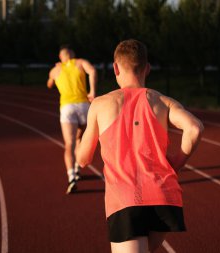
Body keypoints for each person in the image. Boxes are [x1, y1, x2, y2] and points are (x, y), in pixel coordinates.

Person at [76, 39, 204, 253]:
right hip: (164, 198)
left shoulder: (101, 104)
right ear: (147, 68)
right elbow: (195, 128)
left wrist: (77, 140)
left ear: (115, 68)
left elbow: (83, 159)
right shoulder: (163, 101)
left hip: (125, 199)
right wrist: (176, 163)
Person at [47, 45, 97, 194]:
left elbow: (49, 84)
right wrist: (92, 91)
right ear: (72, 55)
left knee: (69, 144)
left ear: (61, 57)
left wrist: (54, 75)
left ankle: (71, 176)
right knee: (80, 138)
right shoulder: (80, 62)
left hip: (67, 108)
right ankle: (77, 167)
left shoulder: (55, 70)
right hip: (83, 105)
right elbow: (93, 71)